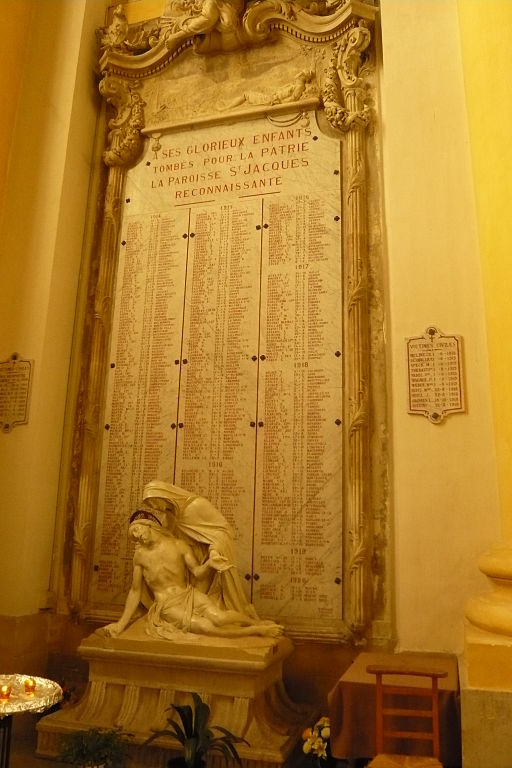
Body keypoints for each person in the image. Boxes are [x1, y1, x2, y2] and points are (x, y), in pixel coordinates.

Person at [102, 515, 282, 640]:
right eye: (133, 536)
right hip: (167, 605)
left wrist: (210, 564)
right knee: (205, 627)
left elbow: (197, 572)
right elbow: (135, 591)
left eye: (137, 529)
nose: (136, 536)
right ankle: (257, 631)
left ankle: (254, 622)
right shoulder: (140, 557)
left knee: (219, 617)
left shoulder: (179, 546)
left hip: (188, 594)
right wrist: (120, 624)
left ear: (149, 526)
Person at [142, 480, 259, 621]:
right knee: (190, 607)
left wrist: (214, 552)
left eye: (154, 501)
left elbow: (222, 531)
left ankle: (244, 616)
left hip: (206, 560)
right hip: (187, 564)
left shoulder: (197, 506)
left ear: (165, 495)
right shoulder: (170, 517)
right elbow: (168, 540)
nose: (154, 507)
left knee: (198, 604)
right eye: (150, 505)